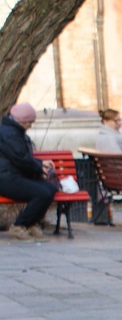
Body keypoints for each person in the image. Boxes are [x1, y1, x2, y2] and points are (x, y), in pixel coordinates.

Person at [0, 102, 57, 241]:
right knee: (42, 193)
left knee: (49, 188)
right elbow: (21, 160)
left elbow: (21, 158)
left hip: (11, 175)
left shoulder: (12, 131)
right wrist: (39, 168)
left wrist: (40, 164)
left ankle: (30, 224)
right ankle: (19, 226)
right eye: (30, 122)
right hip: (6, 179)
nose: (31, 125)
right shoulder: (10, 134)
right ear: (22, 121)